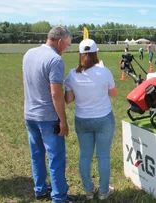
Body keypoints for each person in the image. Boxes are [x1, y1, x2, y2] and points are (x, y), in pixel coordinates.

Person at [22, 26, 75, 202]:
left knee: (36, 154)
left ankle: (40, 188)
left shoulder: (29, 53)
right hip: (48, 117)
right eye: (67, 45)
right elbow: (56, 94)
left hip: (30, 114)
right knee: (56, 158)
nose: (66, 49)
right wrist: (63, 120)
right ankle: (59, 197)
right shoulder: (55, 60)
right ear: (59, 41)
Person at [65, 39, 117, 200]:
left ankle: (88, 190)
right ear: (96, 53)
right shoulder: (105, 71)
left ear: (80, 54)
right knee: (103, 156)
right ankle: (103, 191)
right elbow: (113, 94)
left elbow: (68, 99)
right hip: (103, 118)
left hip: (82, 120)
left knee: (85, 156)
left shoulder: (72, 74)